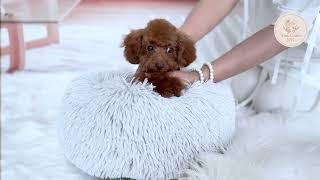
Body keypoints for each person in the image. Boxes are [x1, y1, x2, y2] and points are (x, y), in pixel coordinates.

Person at [166, 0, 320, 87]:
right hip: (249, 31)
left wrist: (200, 76)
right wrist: (176, 46)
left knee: (272, 104)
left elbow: (291, 29)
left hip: (300, 66)